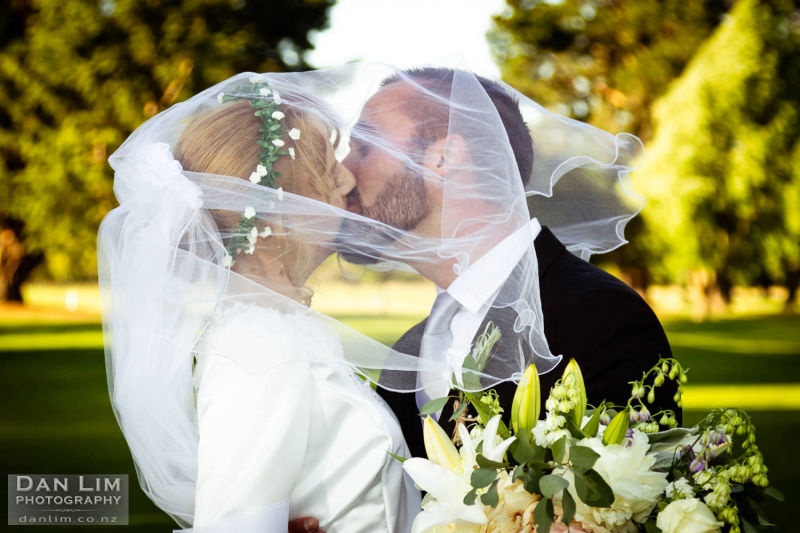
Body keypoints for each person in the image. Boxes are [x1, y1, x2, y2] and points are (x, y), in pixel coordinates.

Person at [98, 74, 422, 533]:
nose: (348, 178)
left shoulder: (279, 329)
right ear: (273, 208)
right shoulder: (261, 347)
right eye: (326, 169)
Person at [339, 67, 679, 460]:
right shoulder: (409, 351)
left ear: (444, 158)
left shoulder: (600, 319)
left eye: (364, 145)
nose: (342, 173)